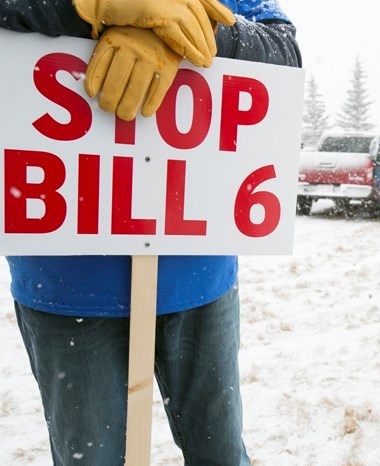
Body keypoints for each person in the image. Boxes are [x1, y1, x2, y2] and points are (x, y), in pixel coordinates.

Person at [0, 1, 301, 464]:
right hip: (66, 281)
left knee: (220, 454)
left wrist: (186, 32)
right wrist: (90, 9)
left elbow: (283, 52)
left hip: (200, 275)